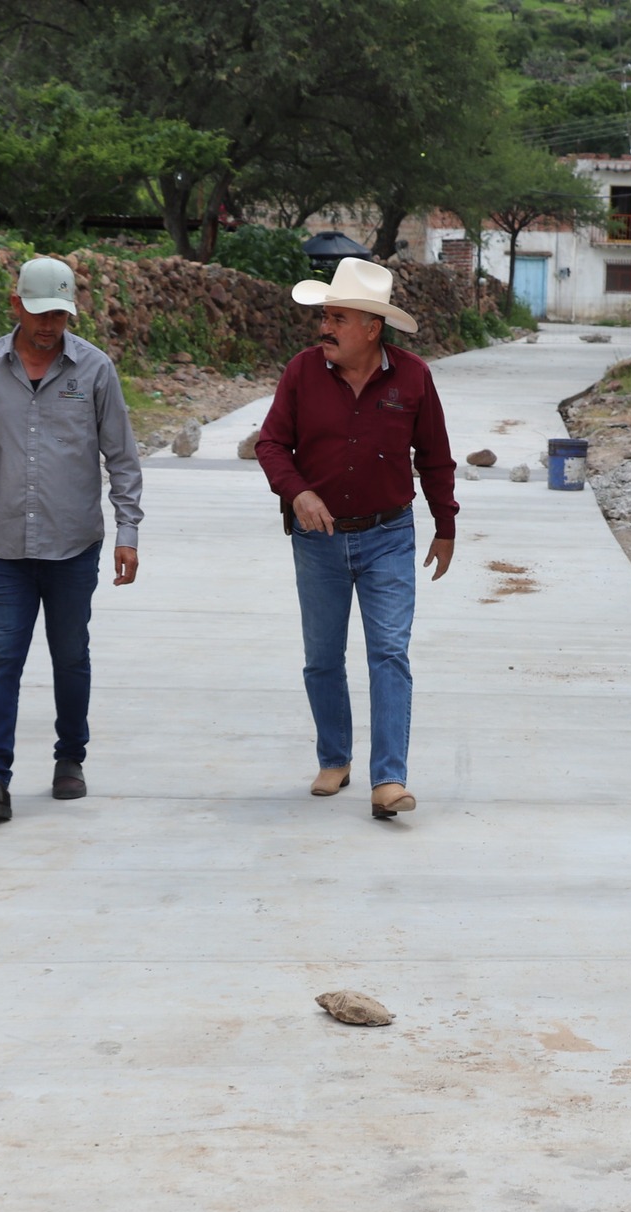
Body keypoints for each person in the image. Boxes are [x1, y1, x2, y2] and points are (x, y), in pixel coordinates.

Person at [254, 258, 457, 819]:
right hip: (316, 540)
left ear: (372, 327)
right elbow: (270, 445)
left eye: (337, 318)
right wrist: (297, 492)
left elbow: (436, 457)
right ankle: (335, 757)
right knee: (322, 658)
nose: (324, 328)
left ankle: (389, 779)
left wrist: (445, 524)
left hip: (388, 535)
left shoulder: (414, 377)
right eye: (324, 316)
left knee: (389, 653)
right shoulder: (301, 372)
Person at [0, 256, 143, 822]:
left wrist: (128, 532)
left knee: (70, 656)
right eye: (38, 313)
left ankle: (69, 758)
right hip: (5, 545)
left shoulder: (95, 370)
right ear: (16, 307)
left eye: (58, 313)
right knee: (2, 657)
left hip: (73, 544)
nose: (48, 325)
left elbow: (122, 458)